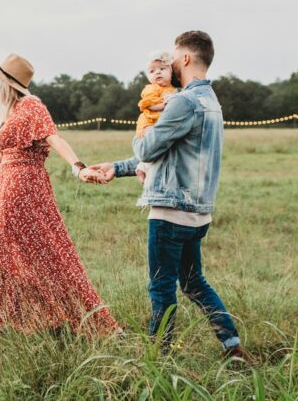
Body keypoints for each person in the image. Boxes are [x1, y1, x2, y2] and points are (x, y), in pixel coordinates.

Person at [88, 31, 250, 360]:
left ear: (186, 59)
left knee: (161, 287)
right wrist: (117, 168)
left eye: (174, 57)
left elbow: (148, 147)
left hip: (170, 212)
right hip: (198, 213)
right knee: (193, 283)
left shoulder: (183, 101)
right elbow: (169, 155)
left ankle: (159, 358)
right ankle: (232, 348)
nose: (171, 64)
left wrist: (142, 132)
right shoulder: (211, 102)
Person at [0, 53, 119, 334]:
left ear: (6, 83)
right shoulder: (13, 113)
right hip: (8, 188)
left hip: (24, 189)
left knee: (46, 254)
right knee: (7, 255)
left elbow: (54, 137)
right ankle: (12, 322)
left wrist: (78, 167)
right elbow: (1, 162)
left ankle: (63, 319)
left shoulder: (32, 106)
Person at [135, 51, 177, 184]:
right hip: (149, 121)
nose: (157, 72)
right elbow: (150, 104)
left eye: (162, 69)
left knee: (160, 148)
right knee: (152, 143)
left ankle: (143, 167)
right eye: (152, 71)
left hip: (159, 122)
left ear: (171, 72)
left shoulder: (172, 89)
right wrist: (164, 105)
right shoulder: (151, 88)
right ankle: (144, 169)